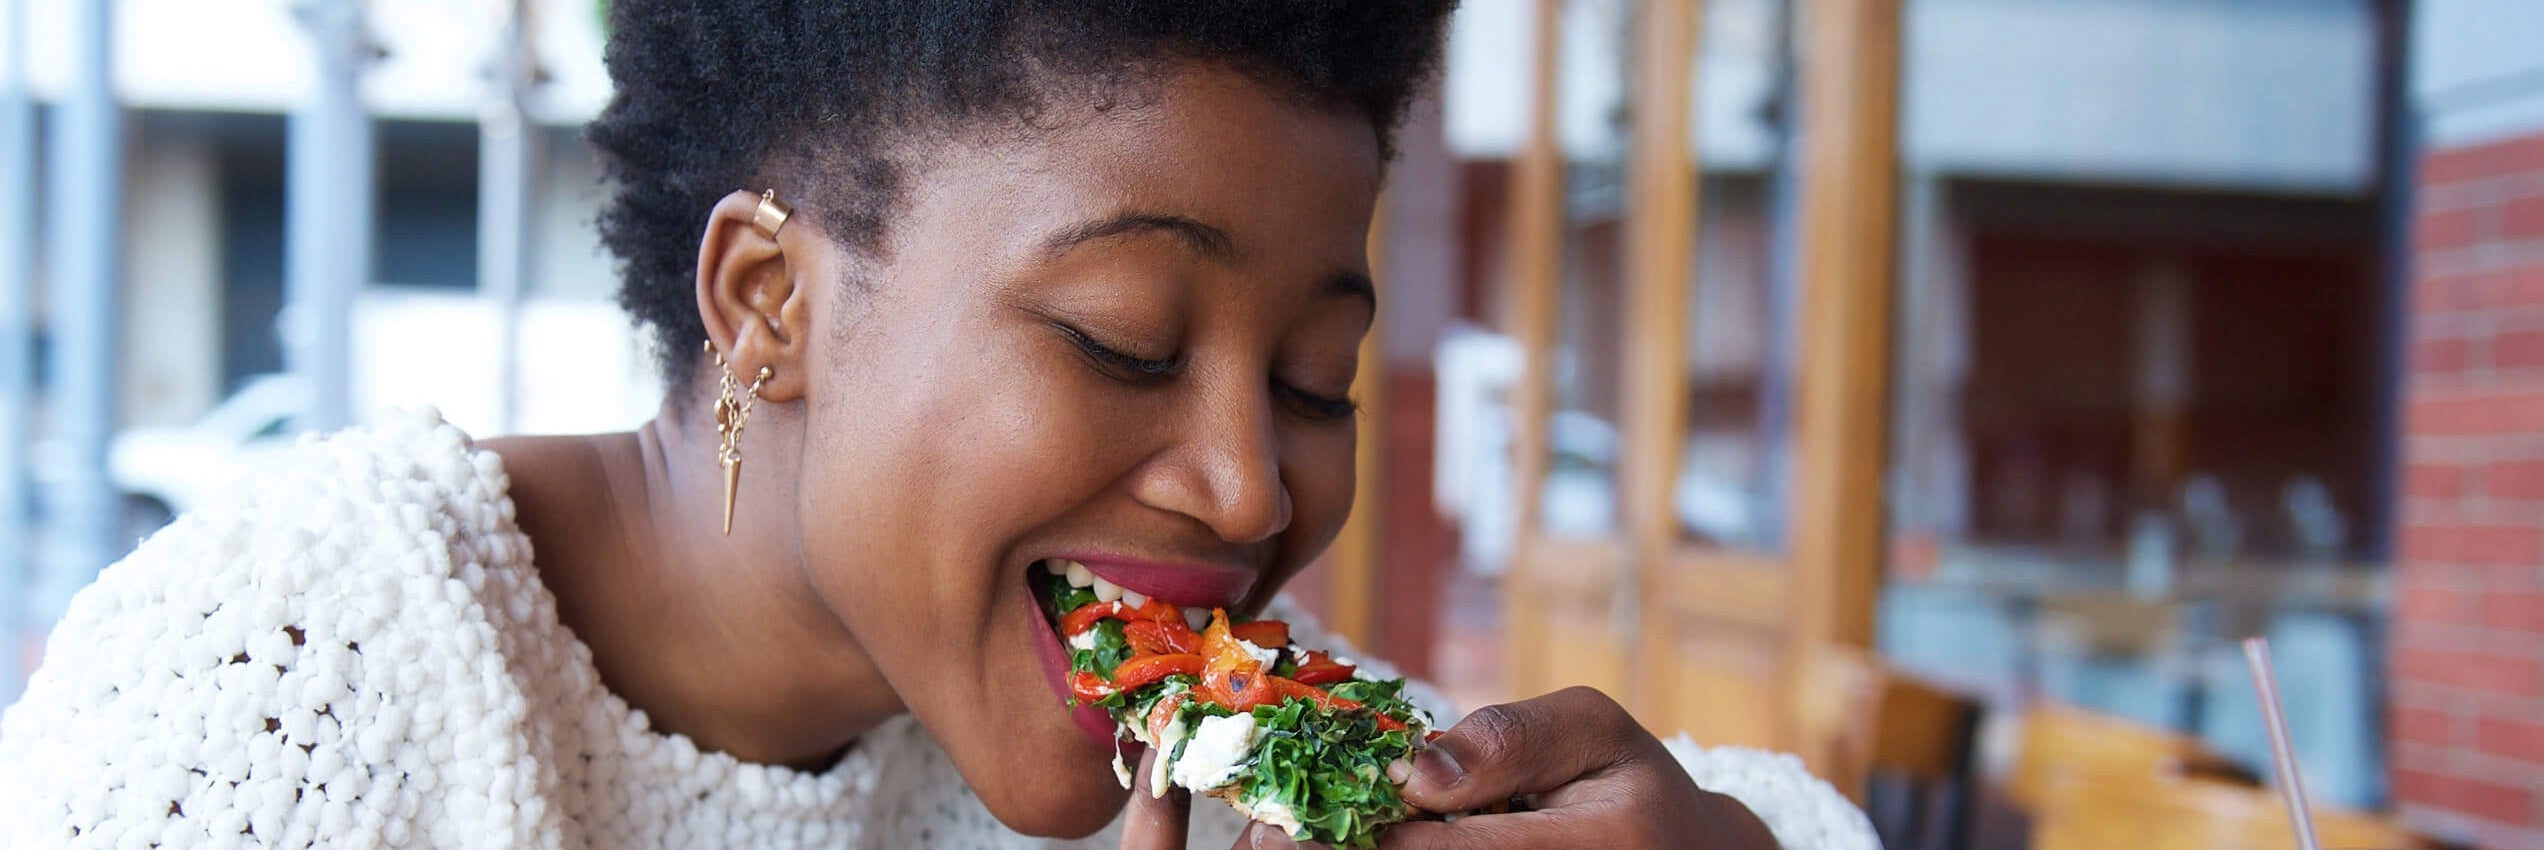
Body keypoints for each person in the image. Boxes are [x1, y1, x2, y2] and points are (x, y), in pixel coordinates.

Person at [0, 3, 1878, 848]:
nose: (1249, 480)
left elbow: (1756, 819)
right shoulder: (282, 684)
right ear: (768, 304)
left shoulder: (1198, 728)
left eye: (1316, 376)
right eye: (1123, 340)